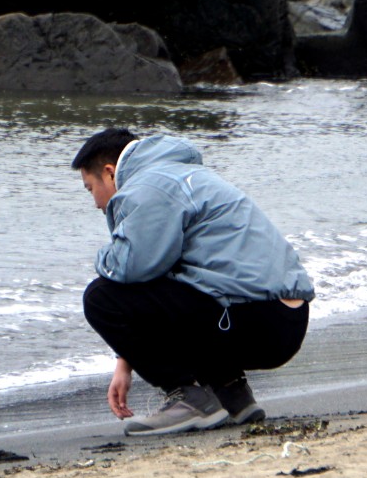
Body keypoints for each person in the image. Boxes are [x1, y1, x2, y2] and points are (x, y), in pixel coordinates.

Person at [74, 127, 314, 436]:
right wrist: (125, 360)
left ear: (109, 173)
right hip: (285, 320)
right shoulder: (183, 174)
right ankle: (231, 394)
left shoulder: (149, 186)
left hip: (255, 321)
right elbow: (164, 278)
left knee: (101, 298)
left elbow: (129, 267)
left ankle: (190, 398)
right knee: (182, 285)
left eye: (89, 188)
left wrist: (101, 257)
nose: (95, 202)